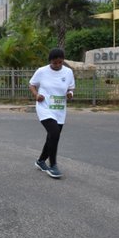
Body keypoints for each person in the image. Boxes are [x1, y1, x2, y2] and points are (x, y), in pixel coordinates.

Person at [29, 47, 75, 179]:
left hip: (59, 109)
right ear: (50, 61)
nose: (57, 65)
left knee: (52, 136)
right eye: (55, 63)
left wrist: (70, 94)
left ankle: (41, 161)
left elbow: (71, 87)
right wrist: (36, 95)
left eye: (60, 62)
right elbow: (32, 84)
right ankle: (53, 165)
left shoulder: (68, 72)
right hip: (45, 107)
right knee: (54, 133)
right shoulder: (42, 71)